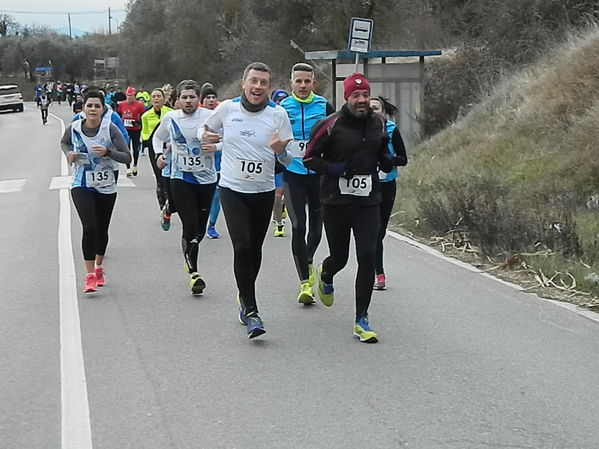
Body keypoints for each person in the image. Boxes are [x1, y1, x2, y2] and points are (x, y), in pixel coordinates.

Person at [202, 62, 293, 339]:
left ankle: (244, 295)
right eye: (253, 81)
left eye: (263, 83)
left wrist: (280, 152)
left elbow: (288, 158)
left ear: (269, 86)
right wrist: (204, 135)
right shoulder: (227, 108)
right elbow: (204, 129)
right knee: (241, 246)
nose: (257, 87)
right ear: (244, 83)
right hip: (232, 188)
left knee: (254, 249)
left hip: (263, 190)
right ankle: (251, 310)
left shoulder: (278, 115)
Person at [303, 73, 394, 344]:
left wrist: (386, 160)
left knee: (367, 255)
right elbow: (309, 158)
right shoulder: (329, 125)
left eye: (365, 95)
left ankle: (361, 319)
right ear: (347, 98)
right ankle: (326, 272)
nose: (362, 100)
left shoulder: (379, 123)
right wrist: (334, 169)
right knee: (340, 257)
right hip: (336, 201)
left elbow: (382, 150)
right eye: (356, 95)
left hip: (368, 201)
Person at [60, 90, 131, 293]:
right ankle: (90, 274)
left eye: (96, 106)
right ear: (83, 108)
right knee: (89, 226)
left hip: (106, 185)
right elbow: (64, 142)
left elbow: (126, 157)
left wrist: (108, 152)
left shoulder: (111, 129)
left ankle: (99, 267)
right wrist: (69, 154)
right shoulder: (74, 128)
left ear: (102, 109)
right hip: (81, 182)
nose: (92, 109)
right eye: (89, 105)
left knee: (101, 228)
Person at [153, 80, 217, 295]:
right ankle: (194, 273)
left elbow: (228, 139)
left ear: (198, 99)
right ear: (177, 100)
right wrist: (159, 155)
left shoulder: (210, 117)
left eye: (192, 97)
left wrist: (216, 146)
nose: (188, 101)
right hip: (180, 177)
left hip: (206, 178)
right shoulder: (170, 117)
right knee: (189, 224)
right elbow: (157, 137)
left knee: (199, 229)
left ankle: (171, 211)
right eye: (184, 97)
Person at [279, 62, 335, 304]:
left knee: (315, 230)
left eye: (306, 81)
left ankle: (308, 261)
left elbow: (338, 136)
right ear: (291, 83)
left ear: (314, 83)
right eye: (298, 81)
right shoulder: (282, 108)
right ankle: (304, 282)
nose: (302, 85)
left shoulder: (324, 106)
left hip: (318, 177)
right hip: (293, 175)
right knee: (298, 227)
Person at [369, 96, 408, 290]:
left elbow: (403, 159)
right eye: (369, 108)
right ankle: (378, 274)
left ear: (383, 112)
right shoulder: (360, 130)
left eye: (376, 108)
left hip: (387, 185)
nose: (372, 111)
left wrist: (386, 160)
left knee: (380, 232)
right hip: (366, 186)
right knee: (372, 232)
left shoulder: (391, 130)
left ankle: (376, 271)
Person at [141, 88, 173, 219]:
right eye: (153, 96)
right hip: (155, 150)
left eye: (158, 96)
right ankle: (163, 207)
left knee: (170, 178)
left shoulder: (171, 113)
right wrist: (150, 143)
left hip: (171, 149)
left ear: (163, 98)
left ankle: (171, 201)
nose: (156, 99)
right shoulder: (146, 115)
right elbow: (145, 133)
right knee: (159, 178)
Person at [200, 83, 223, 239]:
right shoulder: (197, 116)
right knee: (201, 196)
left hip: (219, 161)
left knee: (216, 195)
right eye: (207, 97)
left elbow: (230, 139)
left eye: (213, 97)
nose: (211, 100)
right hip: (199, 162)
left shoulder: (223, 116)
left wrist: (216, 147)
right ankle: (198, 222)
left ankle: (211, 226)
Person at [270, 89, 290, 237]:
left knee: (278, 195)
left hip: (283, 165)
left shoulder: (288, 119)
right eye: (278, 100)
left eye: (283, 100)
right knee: (275, 198)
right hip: (267, 166)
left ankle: (279, 226)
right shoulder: (266, 117)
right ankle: (279, 219)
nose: (280, 103)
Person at [116, 86, 146, 176]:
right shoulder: (122, 105)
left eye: (131, 95)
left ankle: (135, 165)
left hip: (136, 130)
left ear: (134, 96)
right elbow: (118, 115)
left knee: (135, 148)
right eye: (128, 95)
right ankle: (128, 168)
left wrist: (139, 122)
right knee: (126, 149)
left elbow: (144, 116)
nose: (129, 97)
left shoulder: (139, 105)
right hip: (125, 130)